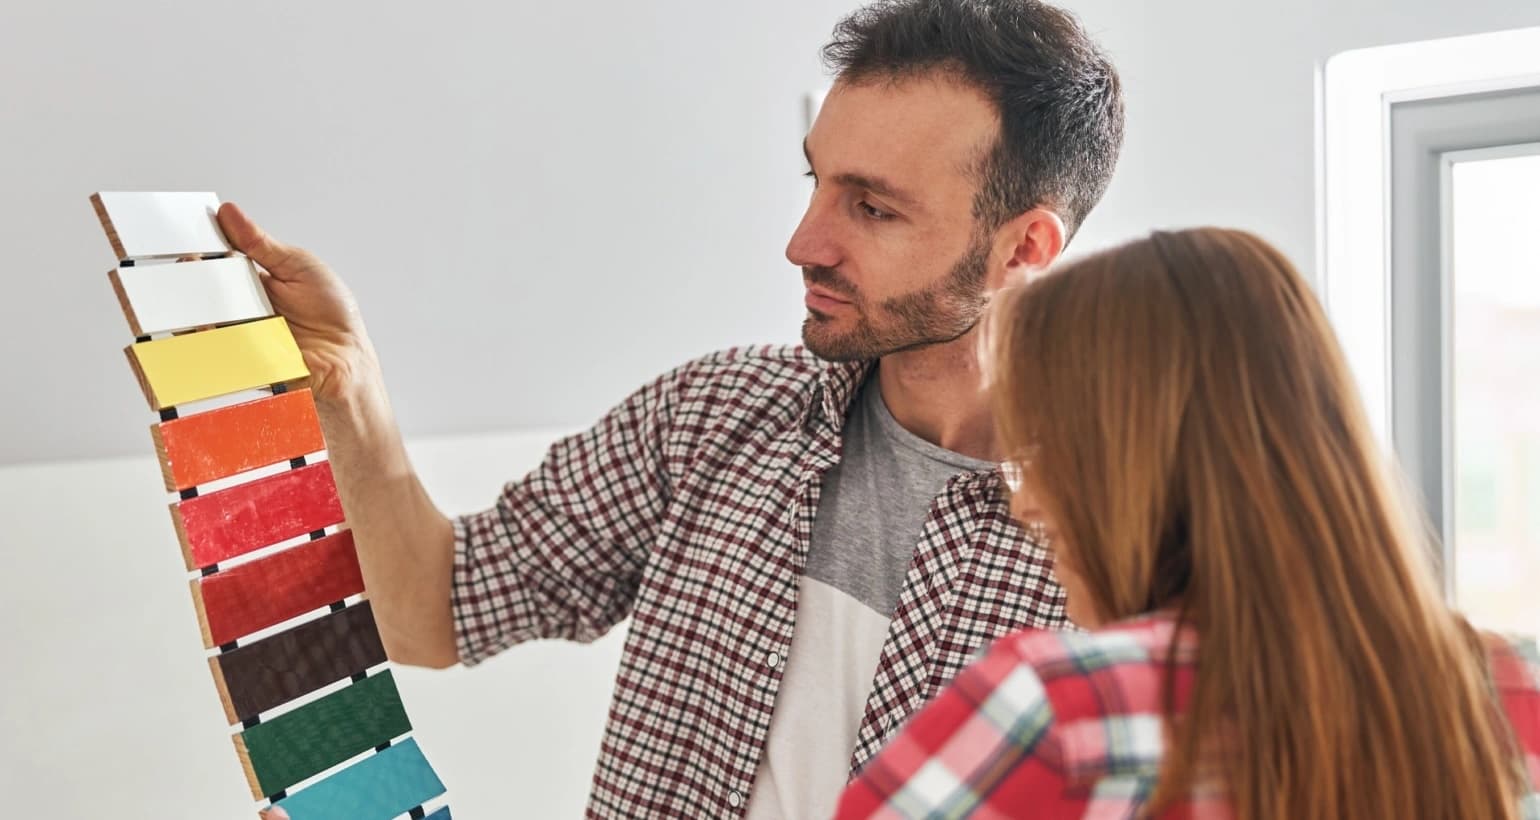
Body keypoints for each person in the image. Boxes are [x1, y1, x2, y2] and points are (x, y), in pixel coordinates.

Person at [241, 1, 1125, 816]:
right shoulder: (713, 415)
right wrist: (352, 389)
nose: (802, 243)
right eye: (814, 181)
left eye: (872, 207)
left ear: (1025, 247)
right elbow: (434, 609)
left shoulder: (1149, 531)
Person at [835, 227, 1540, 819]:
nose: (1025, 502)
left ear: (1140, 459)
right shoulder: (1496, 684)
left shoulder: (1062, 712)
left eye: (1046, 446)